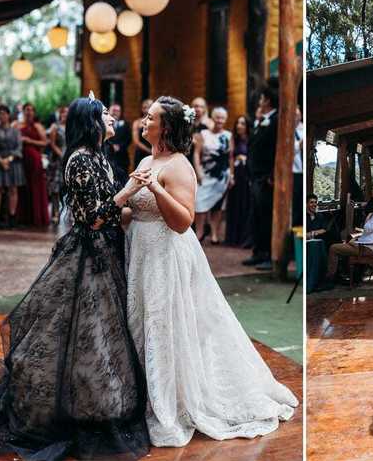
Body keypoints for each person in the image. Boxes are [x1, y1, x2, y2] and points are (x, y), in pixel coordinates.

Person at [0, 94, 151, 460]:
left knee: (105, 334)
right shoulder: (79, 160)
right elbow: (92, 217)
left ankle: (104, 400)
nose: (113, 119)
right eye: (106, 116)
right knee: (85, 331)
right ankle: (78, 405)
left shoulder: (102, 157)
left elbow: (112, 208)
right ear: (92, 123)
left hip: (110, 250)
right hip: (88, 255)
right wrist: (128, 192)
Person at [125, 96, 297, 446]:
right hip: (141, 253)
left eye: (151, 117)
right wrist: (124, 204)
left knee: (167, 323)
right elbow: (136, 212)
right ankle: (147, 393)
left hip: (167, 255)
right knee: (144, 322)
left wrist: (155, 188)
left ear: (167, 127)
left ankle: (175, 401)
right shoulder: (146, 158)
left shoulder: (178, 166)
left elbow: (183, 221)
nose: (144, 120)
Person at [243, 78, 280, 270]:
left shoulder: (276, 120)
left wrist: (271, 175)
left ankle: (267, 253)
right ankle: (258, 251)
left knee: (266, 216)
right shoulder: (262, 120)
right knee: (256, 215)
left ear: (268, 100)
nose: (259, 100)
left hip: (266, 177)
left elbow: (276, 150)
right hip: (254, 175)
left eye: (262, 97)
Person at [325, 192, 373, 281]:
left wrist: (368, 217)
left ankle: (330, 278)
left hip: (370, 248)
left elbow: (367, 228)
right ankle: (349, 276)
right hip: (372, 245)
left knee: (333, 248)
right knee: (349, 242)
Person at [193, 107, 233, 244]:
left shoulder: (228, 135)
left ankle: (215, 234)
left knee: (218, 205)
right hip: (205, 173)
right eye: (217, 117)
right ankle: (200, 232)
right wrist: (198, 172)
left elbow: (230, 157)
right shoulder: (203, 134)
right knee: (199, 202)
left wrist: (231, 174)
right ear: (212, 118)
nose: (220, 120)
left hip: (222, 175)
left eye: (222, 118)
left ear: (226, 119)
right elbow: (196, 154)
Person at [17, 102, 50, 227]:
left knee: (35, 188)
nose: (29, 112)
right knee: (22, 187)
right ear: (23, 111)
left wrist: (29, 141)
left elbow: (45, 143)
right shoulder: (16, 125)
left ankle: (37, 218)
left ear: (34, 112)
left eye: (31, 110)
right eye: (26, 109)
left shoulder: (38, 126)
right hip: (20, 160)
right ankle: (21, 218)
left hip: (35, 160)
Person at [225, 115, 252, 246]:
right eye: (238, 123)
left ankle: (244, 238)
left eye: (242, 124)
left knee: (245, 204)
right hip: (236, 173)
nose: (239, 126)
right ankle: (232, 238)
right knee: (234, 204)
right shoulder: (233, 138)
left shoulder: (251, 139)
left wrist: (245, 158)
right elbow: (230, 157)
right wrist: (231, 175)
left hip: (247, 174)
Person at [47, 105, 67, 224]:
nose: (65, 115)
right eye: (63, 113)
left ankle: (64, 212)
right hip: (57, 159)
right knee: (55, 187)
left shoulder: (72, 127)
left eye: (67, 113)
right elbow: (52, 143)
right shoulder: (55, 126)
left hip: (69, 157)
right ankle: (54, 212)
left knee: (66, 187)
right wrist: (61, 154)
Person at [107, 103, 132, 184]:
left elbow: (129, 139)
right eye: (113, 110)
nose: (115, 113)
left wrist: (120, 146)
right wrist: (111, 146)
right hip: (108, 155)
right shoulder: (104, 124)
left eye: (118, 111)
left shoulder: (125, 124)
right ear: (109, 111)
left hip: (122, 157)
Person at [132, 98, 154, 168]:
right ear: (142, 109)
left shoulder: (156, 121)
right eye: (145, 107)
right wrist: (149, 150)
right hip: (141, 152)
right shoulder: (137, 122)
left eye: (149, 107)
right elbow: (136, 141)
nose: (147, 109)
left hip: (154, 150)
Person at [293, 105, 304, 227]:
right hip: (294, 171)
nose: (296, 117)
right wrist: (298, 146)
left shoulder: (303, 129)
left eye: (297, 114)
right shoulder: (286, 130)